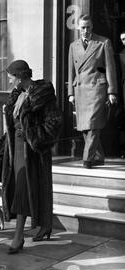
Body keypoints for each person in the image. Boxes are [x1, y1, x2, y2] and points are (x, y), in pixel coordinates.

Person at [0, 60, 62, 254]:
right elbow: (13, 123)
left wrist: (33, 136)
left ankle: (18, 237)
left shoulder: (43, 94)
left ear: (20, 76)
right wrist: (3, 144)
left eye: (10, 75)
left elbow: (54, 124)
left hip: (33, 150)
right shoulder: (16, 95)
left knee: (24, 191)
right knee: (20, 187)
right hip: (16, 149)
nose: (8, 79)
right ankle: (46, 225)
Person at [68, 14, 118, 169]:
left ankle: (87, 159)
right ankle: (99, 157)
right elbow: (71, 71)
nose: (85, 30)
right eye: (82, 27)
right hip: (81, 89)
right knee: (84, 127)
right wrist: (70, 92)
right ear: (78, 28)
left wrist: (112, 91)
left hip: (97, 88)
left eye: (88, 27)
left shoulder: (103, 42)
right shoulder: (73, 46)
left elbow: (110, 68)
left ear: (92, 26)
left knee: (93, 125)